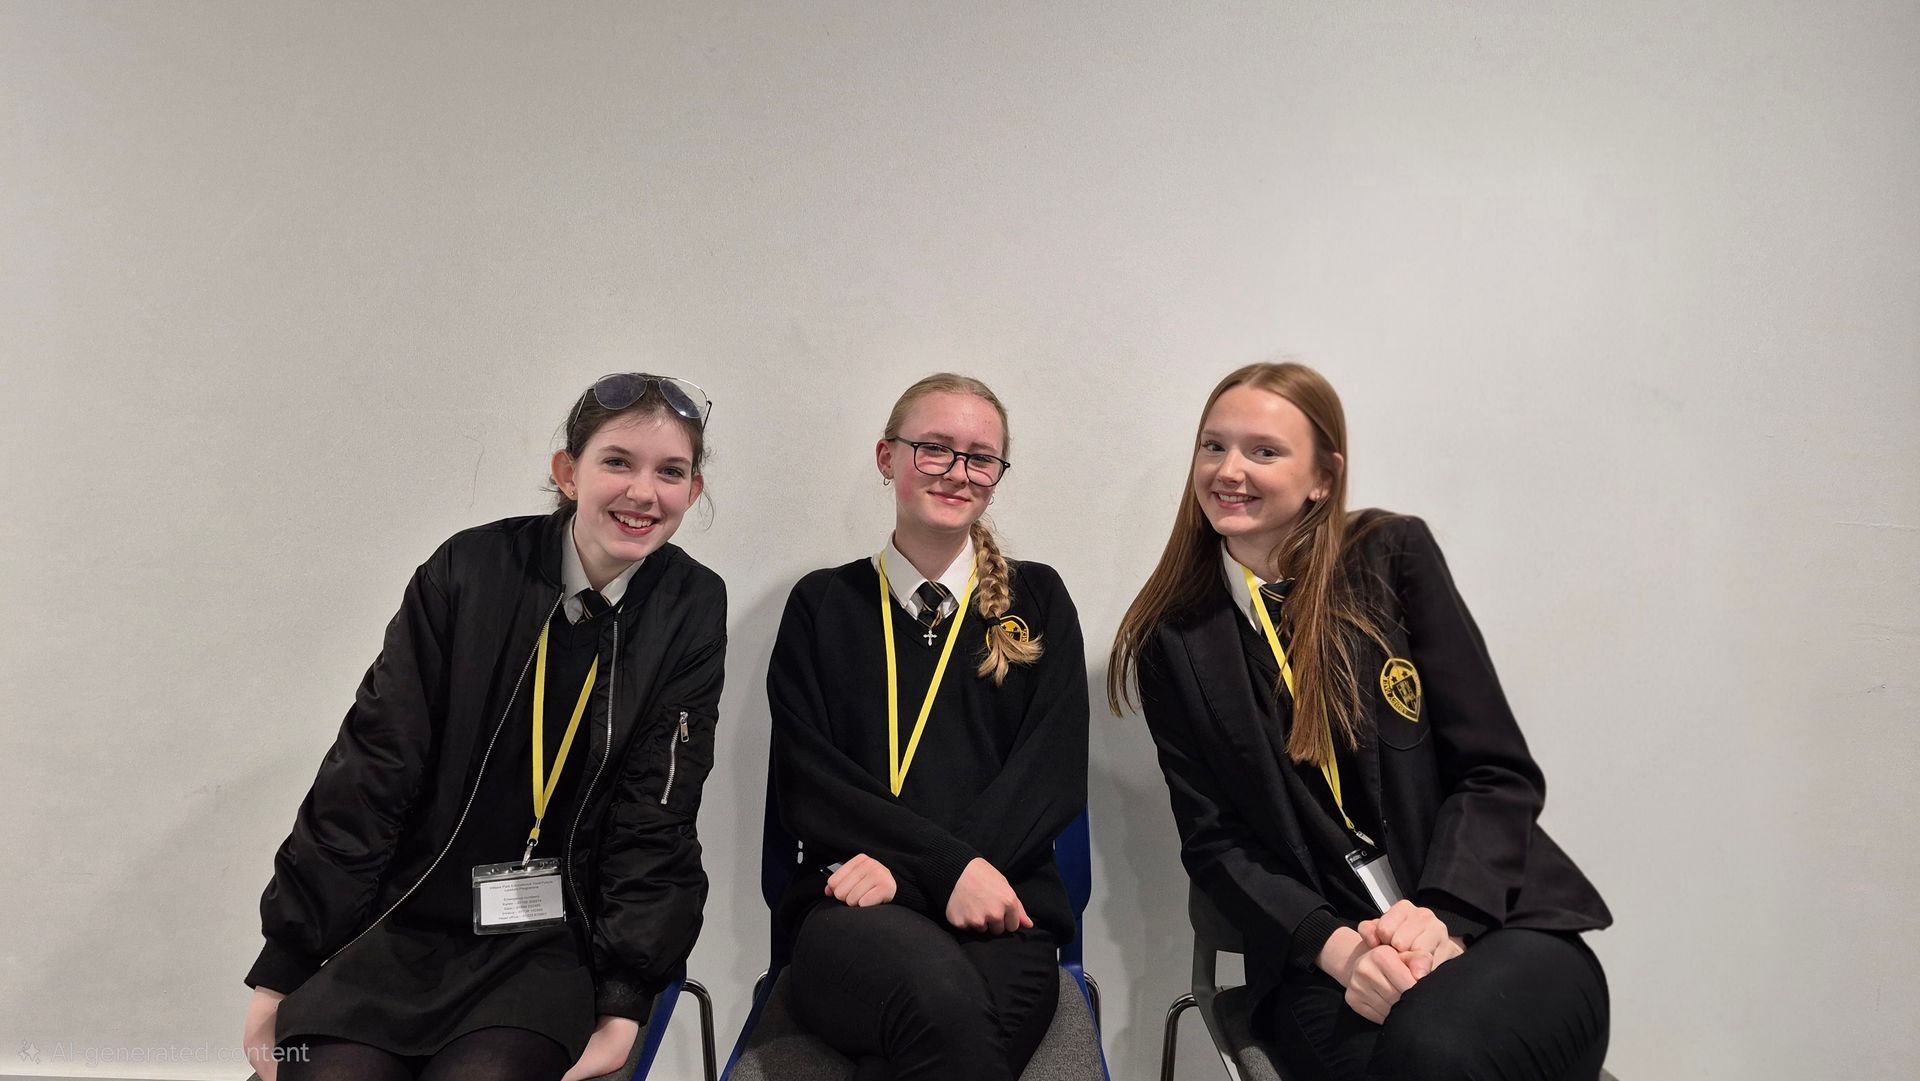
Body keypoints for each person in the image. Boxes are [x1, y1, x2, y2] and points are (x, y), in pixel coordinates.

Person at [1110, 362, 1611, 1081]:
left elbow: (1495, 770)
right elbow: (1219, 844)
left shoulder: (1391, 555)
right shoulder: (1175, 638)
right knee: (1425, 1058)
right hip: (1326, 961)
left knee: (1445, 1050)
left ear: (1323, 476)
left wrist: (1440, 917)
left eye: (1264, 450)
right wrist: (1343, 951)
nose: (1229, 470)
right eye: (1212, 445)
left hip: (1492, 920)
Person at [240, 374, 727, 1081]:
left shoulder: (689, 604)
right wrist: (282, 966)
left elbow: (658, 811)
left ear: (694, 489)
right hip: (406, 924)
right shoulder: (467, 569)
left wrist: (625, 999)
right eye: (618, 461)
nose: (644, 492)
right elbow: (372, 767)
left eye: (671, 471)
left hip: (553, 945)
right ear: (568, 471)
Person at [765, 373, 1088, 1081]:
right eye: (934, 448)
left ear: (997, 476)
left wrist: (936, 875)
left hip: (1003, 908)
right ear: (887, 457)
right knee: (943, 1011)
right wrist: (944, 872)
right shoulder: (822, 604)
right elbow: (812, 786)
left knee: (939, 1046)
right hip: (849, 906)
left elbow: (1049, 774)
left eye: (980, 457)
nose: (957, 472)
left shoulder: (1039, 599)